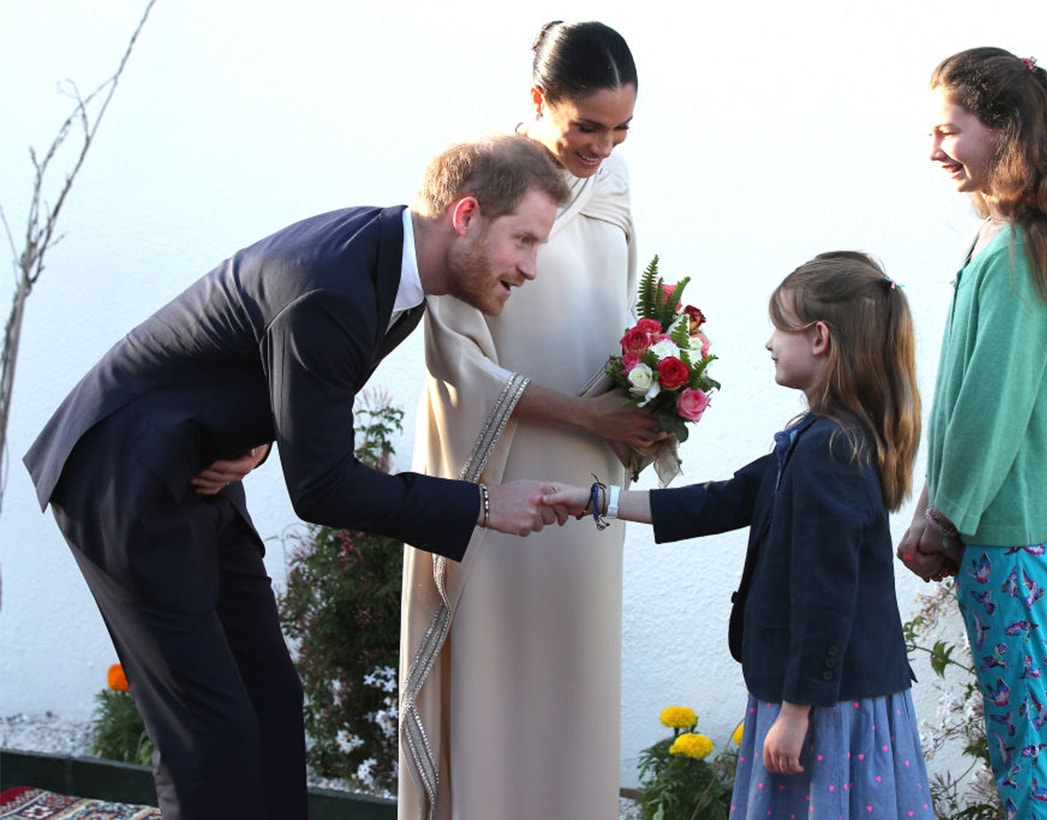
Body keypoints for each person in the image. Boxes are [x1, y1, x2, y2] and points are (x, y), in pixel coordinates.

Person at [23, 134, 573, 820]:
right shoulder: (335, 285)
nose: (531, 267)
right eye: (523, 240)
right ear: (465, 216)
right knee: (209, 734)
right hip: (121, 478)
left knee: (271, 699)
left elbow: (276, 377)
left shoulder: (394, 269)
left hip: (199, 469)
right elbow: (322, 488)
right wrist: (483, 503)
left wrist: (254, 441)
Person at [545, 252, 935, 818]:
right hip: (826, 694)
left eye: (781, 326)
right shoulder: (817, 440)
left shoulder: (829, 451)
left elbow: (826, 594)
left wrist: (797, 713)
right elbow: (721, 501)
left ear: (820, 338)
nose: (770, 342)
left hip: (826, 705)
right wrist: (595, 499)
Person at [397, 20, 656, 820]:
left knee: (575, 675)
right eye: (586, 126)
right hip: (495, 475)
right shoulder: (475, 185)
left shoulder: (611, 188)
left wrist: (654, 394)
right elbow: (457, 364)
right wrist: (586, 413)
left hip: (591, 485)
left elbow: (622, 317)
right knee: (497, 675)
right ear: (540, 100)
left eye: (620, 130)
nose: (601, 147)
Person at [897, 47, 1047, 818]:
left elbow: (994, 404)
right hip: (1014, 525)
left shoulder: (1023, 246)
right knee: (1029, 732)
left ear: (1003, 129)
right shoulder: (1007, 235)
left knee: (1027, 740)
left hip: (1013, 529)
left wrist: (947, 517)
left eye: (948, 130)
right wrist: (933, 501)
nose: (933, 149)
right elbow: (963, 393)